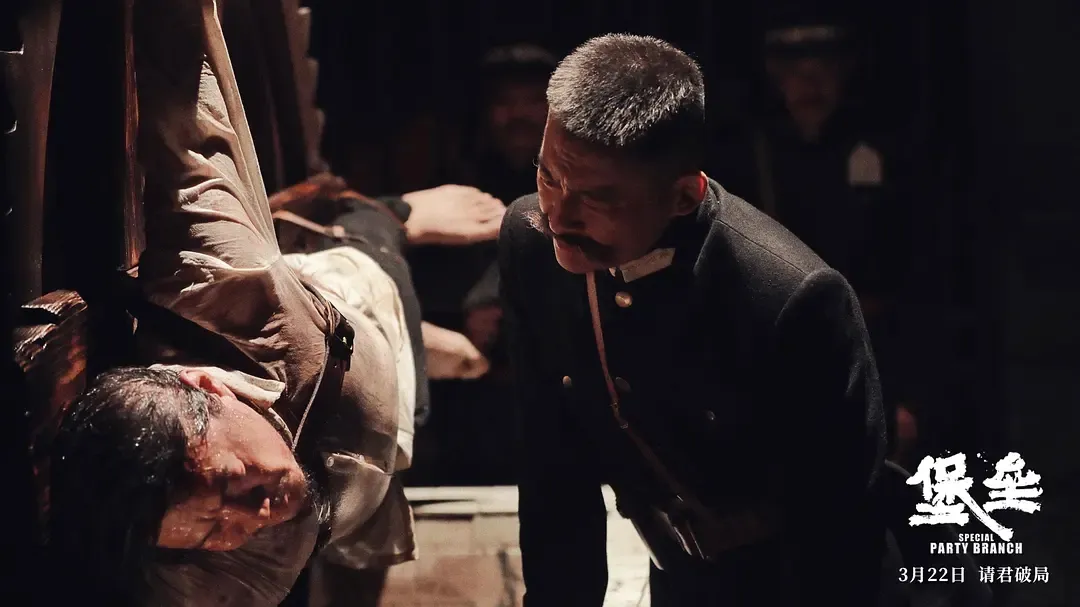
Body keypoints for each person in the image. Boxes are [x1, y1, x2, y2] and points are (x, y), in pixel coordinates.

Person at [44, 2, 493, 605]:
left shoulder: (226, 287)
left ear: (211, 386)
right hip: (388, 425)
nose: (252, 518)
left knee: (455, 337)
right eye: (210, 532)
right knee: (454, 365)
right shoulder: (185, 549)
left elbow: (190, 113)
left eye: (231, 483)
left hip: (361, 291)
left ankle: (401, 214)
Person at [499, 34, 895, 605]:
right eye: (548, 176)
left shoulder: (793, 297)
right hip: (682, 573)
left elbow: (839, 531)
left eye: (598, 198)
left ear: (684, 197)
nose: (559, 215)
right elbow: (552, 474)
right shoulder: (531, 242)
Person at [710, 7, 918, 460]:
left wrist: (908, 393)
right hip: (777, 354)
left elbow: (915, 275)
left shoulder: (886, 150)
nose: (809, 76)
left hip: (872, 348)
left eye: (825, 59)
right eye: (791, 61)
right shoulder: (746, 155)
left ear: (848, 66)